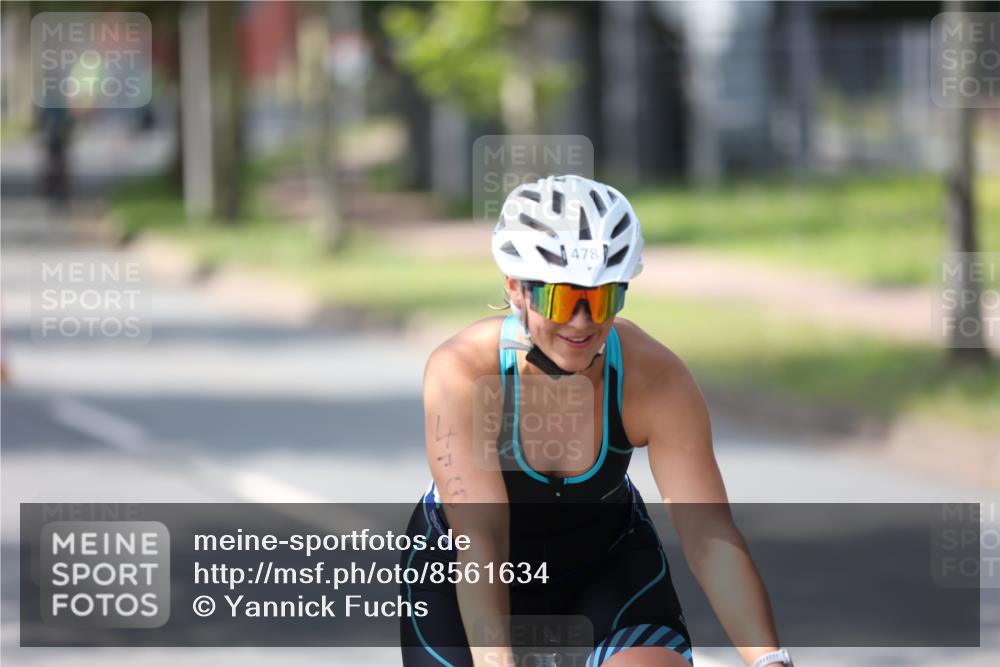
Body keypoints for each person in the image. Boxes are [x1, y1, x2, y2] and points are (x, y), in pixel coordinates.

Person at [399, 175, 792, 667]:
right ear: (515, 287)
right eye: (561, 299)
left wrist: (769, 660)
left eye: (602, 298)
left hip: (604, 570)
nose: (582, 321)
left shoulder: (654, 378)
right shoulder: (461, 372)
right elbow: (482, 539)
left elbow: (708, 535)